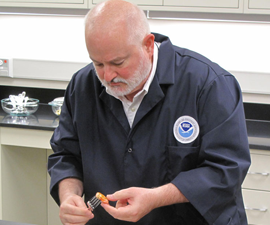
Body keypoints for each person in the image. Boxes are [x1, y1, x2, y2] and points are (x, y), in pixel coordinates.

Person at [47, 0, 251, 224]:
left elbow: (226, 170)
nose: (107, 76)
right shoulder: (82, 86)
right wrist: (69, 196)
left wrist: (156, 197)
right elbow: (66, 155)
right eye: (98, 64)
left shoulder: (208, 85)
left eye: (118, 62)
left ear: (148, 44)